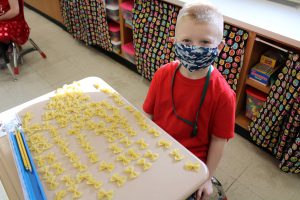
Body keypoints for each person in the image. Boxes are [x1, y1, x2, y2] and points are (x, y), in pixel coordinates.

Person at [143, 1, 235, 200]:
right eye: (186, 41)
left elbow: (219, 141)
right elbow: (147, 116)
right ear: (174, 41)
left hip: (192, 164)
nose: (195, 49)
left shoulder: (223, 95)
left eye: (204, 42)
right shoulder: (162, 75)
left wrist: (207, 177)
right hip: (156, 149)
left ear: (219, 46)